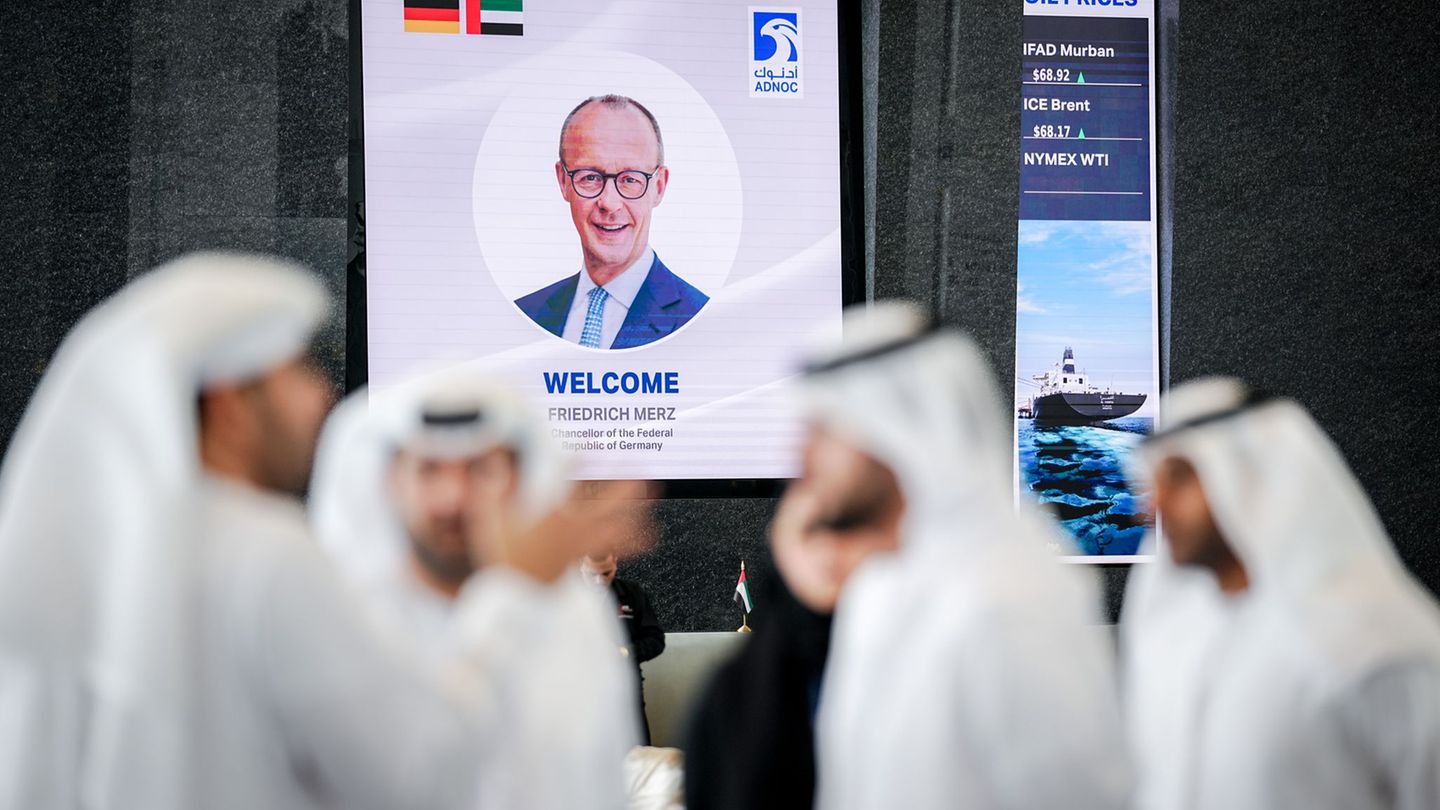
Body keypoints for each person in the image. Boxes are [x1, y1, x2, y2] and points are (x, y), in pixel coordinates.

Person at [0, 252, 637, 810]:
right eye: (296, 373)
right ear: (230, 405)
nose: (319, 397)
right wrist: (513, 594)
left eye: (480, 469)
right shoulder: (266, 556)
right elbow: (426, 770)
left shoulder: (125, 560)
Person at [808, 302, 1131, 810]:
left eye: (825, 433)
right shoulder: (879, 586)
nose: (804, 456)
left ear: (891, 434)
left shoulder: (1007, 597)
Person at [1120, 378, 1440, 810]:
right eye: (1153, 482)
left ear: (1249, 474)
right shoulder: (1170, 636)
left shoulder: (1377, 641)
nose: (1152, 507)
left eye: (1179, 479)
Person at [683, 399, 905, 810]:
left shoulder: (927, 661)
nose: (829, 551)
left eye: (849, 526)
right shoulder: (737, 690)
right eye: (813, 530)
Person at [514, 94, 708, 349]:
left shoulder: (700, 321)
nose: (609, 203)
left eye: (630, 179)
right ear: (563, 182)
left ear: (658, 187)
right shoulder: (525, 314)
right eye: (590, 177)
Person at [580, 553, 666, 745]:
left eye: (606, 573)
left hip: (626, 693)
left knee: (637, 757)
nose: (600, 581)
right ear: (580, 565)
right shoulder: (562, 597)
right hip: (579, 697)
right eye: (592, 575)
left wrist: (624, 652)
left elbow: (656, 640)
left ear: (615, 563)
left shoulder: (632, 593)